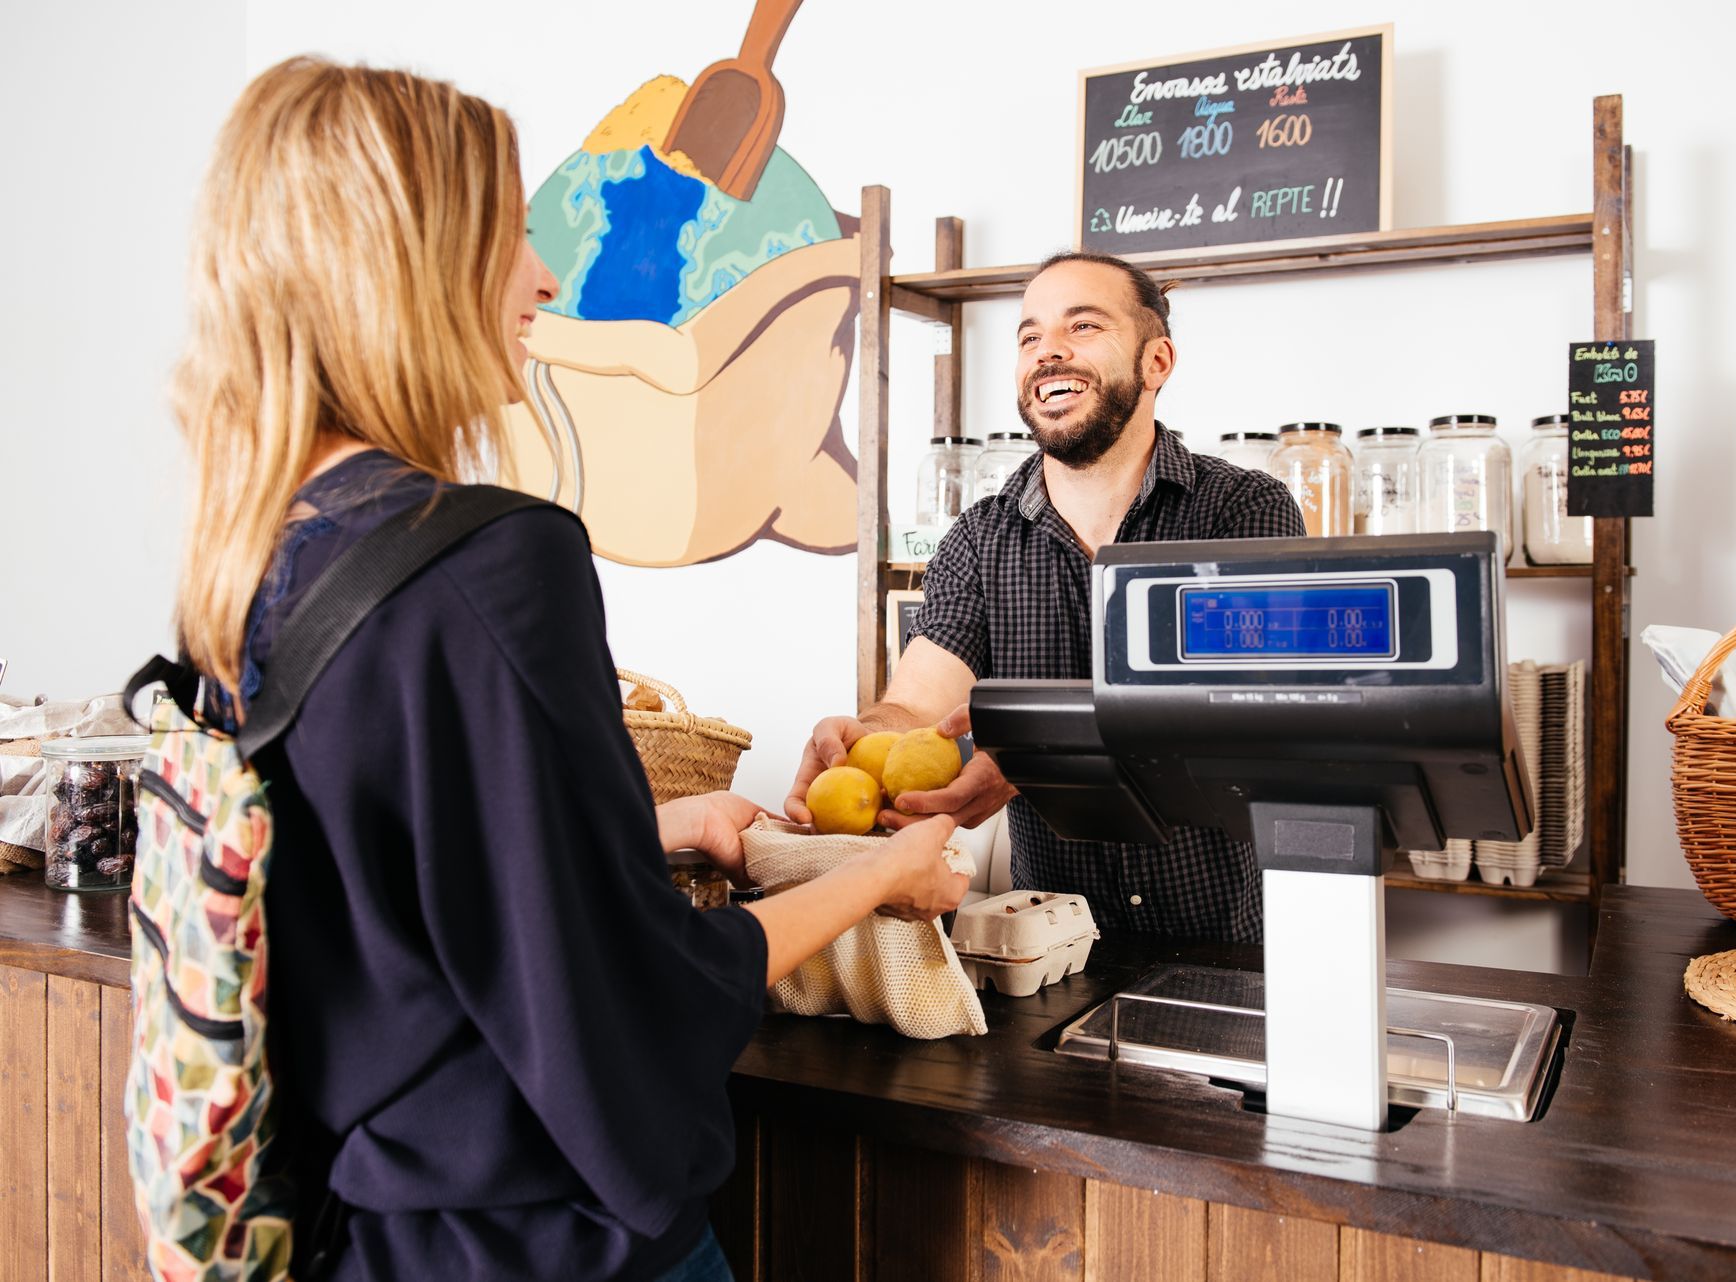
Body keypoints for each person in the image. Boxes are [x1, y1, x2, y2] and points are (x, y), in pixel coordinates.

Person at [170, 58, 967, 1282]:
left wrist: (654, 824)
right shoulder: (498, 563)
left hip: (359, 1236)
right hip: (549, 1245)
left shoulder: (249, 564)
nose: (543, 277)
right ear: (408, 265)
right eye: (507, 238)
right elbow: (630, 996)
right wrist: (880, 877)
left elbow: (416, 888)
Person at [786, 252, 1304, 943]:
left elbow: (1235, 716)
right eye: (1029, 336)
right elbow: (917, 703)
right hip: (1053, 953)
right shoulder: (979, 537)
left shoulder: (1242, 510)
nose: (1048, 351)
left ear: (1157, 362)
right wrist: (865, 741)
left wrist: (1033, 760)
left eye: (1083, 326)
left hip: (1231, 947)